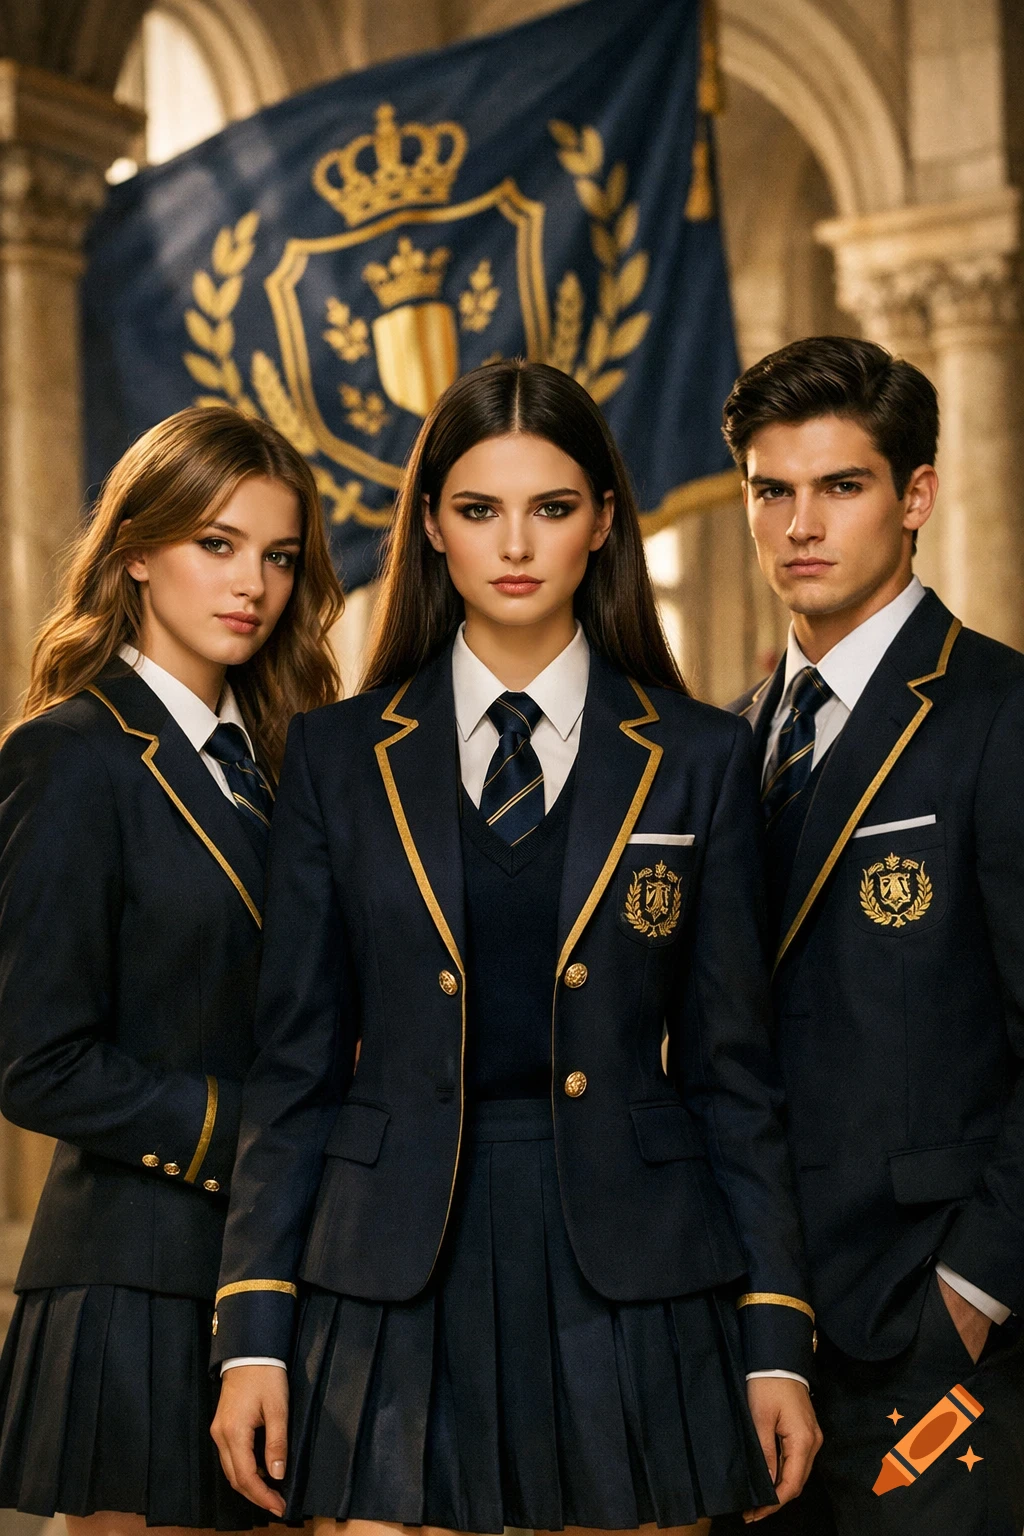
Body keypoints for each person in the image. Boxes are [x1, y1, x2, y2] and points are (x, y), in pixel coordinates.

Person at [210, 359, 820, 1536]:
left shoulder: (698, 757)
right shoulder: (335, 759)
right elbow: (289, 1072)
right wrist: (253, 1332)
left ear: (601, 522)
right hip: (388, 1264)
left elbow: (733, 1074)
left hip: (637, 1267)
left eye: (550, 507)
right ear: (432, 525)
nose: (516, 545)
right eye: (480, 509)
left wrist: (776, 1339)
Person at [0, 406, 342, 1535]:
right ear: (137, 551)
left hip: (297, 1271)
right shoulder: (71, 756)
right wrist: (257, 1134)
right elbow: (36, 1062)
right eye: (216, 543)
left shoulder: (298, 759)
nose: (251, 582)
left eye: (277, 556)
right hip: (136, 1280)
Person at [720, 336, 1024, 1536]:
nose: (800, 523)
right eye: (770, 490)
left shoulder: (999, 716)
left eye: (840, 487)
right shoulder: (724, 741)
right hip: (756, 1327)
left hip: (931, 1328)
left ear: (914, 498)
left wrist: (974, 1290)